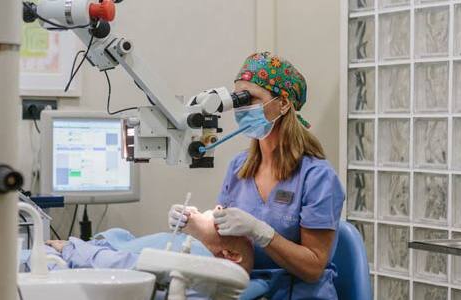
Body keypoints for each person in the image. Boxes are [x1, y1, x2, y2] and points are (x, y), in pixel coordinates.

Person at [169, 53, 345, 300]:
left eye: (250, 98)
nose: (242, 108)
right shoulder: (239, 167)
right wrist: (198, 224)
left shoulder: (317, 177)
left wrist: (262, 232)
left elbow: (313, 268)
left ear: (283, 104)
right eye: (237, 99)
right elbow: (230, 240)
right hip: (247, 289)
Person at [40, 209, 254, 299]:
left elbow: (125, 268)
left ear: (230, 255)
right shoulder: (186, 247)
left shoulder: (199, 265)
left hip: (58, 265)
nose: (217, 207)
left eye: (222, 217)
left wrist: (70, 248)